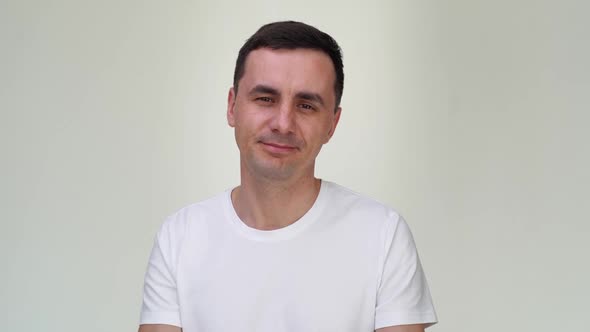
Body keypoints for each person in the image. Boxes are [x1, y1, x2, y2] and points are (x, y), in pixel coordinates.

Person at [138, 21, 437, 332]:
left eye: (306, 105)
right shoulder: (180, 238)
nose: (283, 123)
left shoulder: (383, 236)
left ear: (332, 124)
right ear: (232, 106)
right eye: (265, 98)